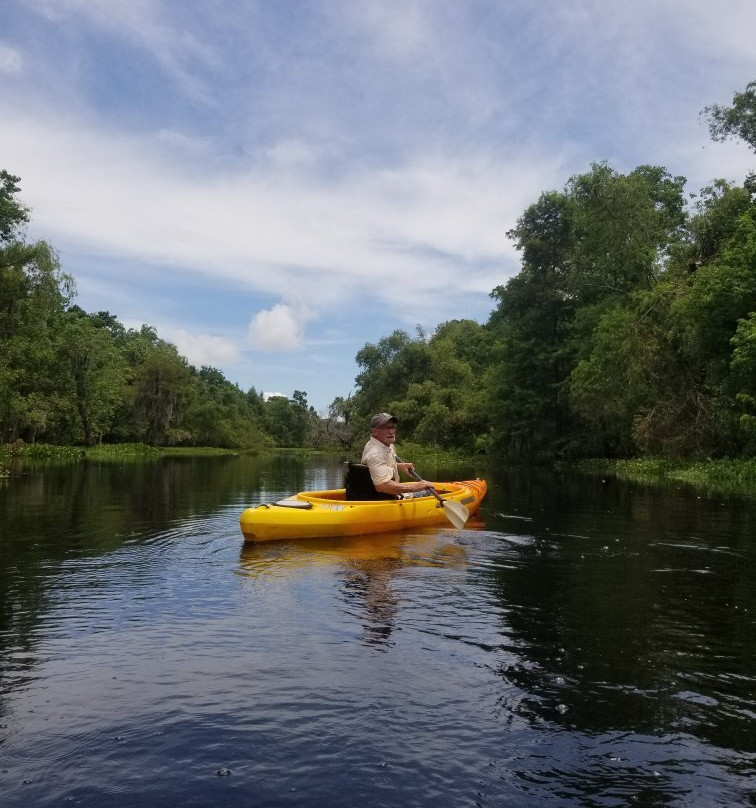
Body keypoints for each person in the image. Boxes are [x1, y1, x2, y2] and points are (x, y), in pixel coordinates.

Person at [361, 413, 431, 498]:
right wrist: (417, 486)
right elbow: (382, 486)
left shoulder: (386, 444)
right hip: (385, 498)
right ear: (374, 432)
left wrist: (401, 466)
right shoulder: (375, 453)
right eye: (386, 428)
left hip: (388, 495)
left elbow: (381, 466)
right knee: (428, 491)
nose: (391, 432)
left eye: (392, 427)